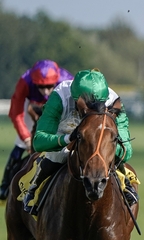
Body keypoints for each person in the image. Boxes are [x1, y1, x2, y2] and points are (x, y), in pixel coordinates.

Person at [25, 69, 135, 215]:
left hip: (97, 138)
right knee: (57, 155)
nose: (89, 111)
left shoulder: (113, 101)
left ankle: (126, 186)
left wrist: (111, 144)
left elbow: (127, 149)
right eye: (85, 107)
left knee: (110, 154)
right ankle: (34, 189)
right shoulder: (60, 96)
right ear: (75, 98)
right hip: (65, 131)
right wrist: (66, 139)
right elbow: (39, 141)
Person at [0, 60, 73, 201]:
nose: (45, 92)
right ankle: (5, 184)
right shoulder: (24, 82)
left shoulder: (68, 80)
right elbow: (16, 112)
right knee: (20, 143)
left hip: (59, 107)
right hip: (31, 107)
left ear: (56, 81)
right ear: (34, 82)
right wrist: (26, 138)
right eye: (40, 86)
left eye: (49, 86)